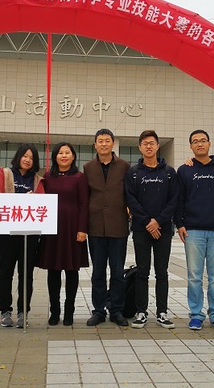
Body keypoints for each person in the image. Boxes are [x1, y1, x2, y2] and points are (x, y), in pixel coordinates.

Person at [175, 129, 214, 331]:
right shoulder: (185, 170)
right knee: (194, 276)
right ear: (191, 146)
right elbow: (180, 199)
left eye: (203, 140)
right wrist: (180, 224)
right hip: (193, 231)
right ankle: (196, 314)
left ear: (209, 144)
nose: (200, 144)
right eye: (195, 141)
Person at [124, 130, 178, 329]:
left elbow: (174, 200)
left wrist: (158, 221)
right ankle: (141, 312)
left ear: (157, 146)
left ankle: (162, 312)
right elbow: (131, 199)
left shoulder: (169, 172)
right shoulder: (133, 172)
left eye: (152, 143)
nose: (149, 146)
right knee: (142, 271)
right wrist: (148, 222)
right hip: (141, 229)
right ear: (140, 147)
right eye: (145, 143)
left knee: (162, 272)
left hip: (163, 230)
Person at [37, 142, 89, 326]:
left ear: (73, 156)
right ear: (55, 156)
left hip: (73, 228)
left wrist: (82, 228)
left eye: (68, 152)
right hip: (51, 228)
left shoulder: (79, 177)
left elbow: (84, 204)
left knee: (71, 270)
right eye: (60, 153)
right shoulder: (47, 177)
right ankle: (55, 311)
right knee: (53, 270)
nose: (64, 155)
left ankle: (69, 311)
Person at [0, 144, 45, 329]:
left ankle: (23, 311)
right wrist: (21, 199)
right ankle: (4, 311)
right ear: (18, 157)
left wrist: (33, 200)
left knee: (26, 274)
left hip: (29, 235)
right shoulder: (5, 173)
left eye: (31, 157)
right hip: (7, 234)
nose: (27, 160)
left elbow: (42, 203)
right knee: (5, 272)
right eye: (25, 156)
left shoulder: (38, 180)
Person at [83, 129, 131, 327]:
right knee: (98, 272)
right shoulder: (88, 167)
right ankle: (99, 310)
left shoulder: (124, 166)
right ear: (95, 145)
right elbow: (84, 196)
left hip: (118, 227)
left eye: (107, 141)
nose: (104, 144)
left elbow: (130, 193)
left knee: (117, 272)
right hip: (95, 227)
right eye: (100, 141)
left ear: (112, 144)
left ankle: (116, 310)